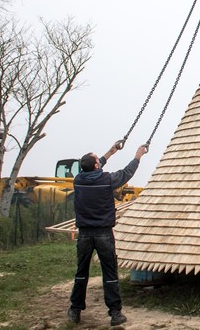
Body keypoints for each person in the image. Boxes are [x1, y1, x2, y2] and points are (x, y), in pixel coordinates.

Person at [67, 140, 148, 326]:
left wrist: (110, 152)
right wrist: (138, 156)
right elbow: (127, 173)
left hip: (84, 234)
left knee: (81, 273)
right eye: (98, 160)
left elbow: (92, 168)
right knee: (110, 274)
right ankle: (115, 313)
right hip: (103, 233)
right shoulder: (106, 180)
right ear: (96, 166)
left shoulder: (78, 180)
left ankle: (75, 310)